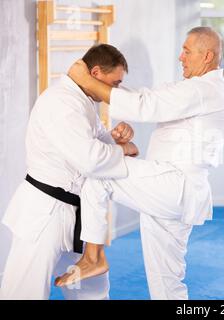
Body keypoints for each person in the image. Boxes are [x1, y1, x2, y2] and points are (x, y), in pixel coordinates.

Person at [54, 27, 224, 300]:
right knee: (166, 284)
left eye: (186, 51)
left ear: (207, 56)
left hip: (174, 184)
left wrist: (87, 82)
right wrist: (113, 91)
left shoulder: (202, 89)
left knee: (100, 175)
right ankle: (95, 258)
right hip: (171, 191)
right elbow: (148, 97)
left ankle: (94, 257)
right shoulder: (197, 88)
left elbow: (145, 106)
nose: (180, 57)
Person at [0, 44, 138, 300]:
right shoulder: (61, 102)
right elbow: (90, 160)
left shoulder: (81, 100)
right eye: (114, 83)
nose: (114, 90)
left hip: (77, 214)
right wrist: (125, 149)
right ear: (95, 72)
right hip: (47, 213)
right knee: (24, 291)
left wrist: (115, 139)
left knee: (92, 289)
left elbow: (95, 143)